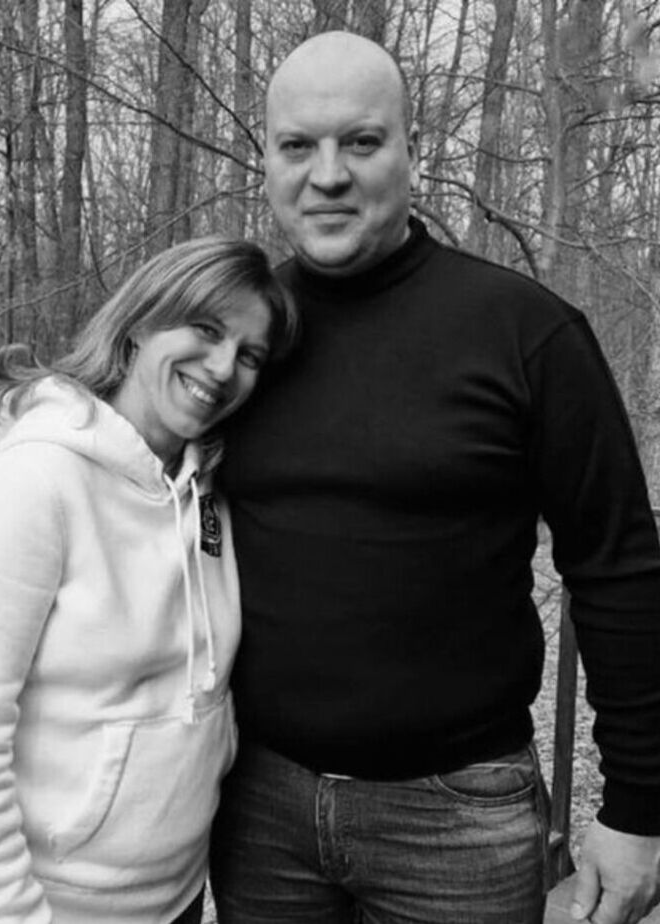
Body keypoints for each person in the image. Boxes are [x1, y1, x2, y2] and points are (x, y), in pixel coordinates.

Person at [207, 32, 660, 924]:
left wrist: (640, 808)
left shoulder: (525, 333)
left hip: (458, 820)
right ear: (266, 161)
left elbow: (618, 568)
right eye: (297, 146)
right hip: (257, 807)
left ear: (412, 151)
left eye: (361, 142)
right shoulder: (236, 343)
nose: (327, 175)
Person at [0, 239, 297, 924]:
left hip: (173, 900)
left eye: (249, 355)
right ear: (141, 323)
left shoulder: (208, 490)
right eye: (206, 330)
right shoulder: (37, 479)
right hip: (37, 905)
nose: (223, 368)